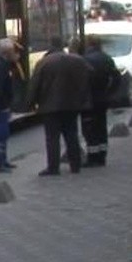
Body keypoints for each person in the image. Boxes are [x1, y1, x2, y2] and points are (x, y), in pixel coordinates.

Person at [26, 35, 93, 175]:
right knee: (71, 135)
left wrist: (30, 104)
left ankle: (53, 167)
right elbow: (91, 75)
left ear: (50, 45)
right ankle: (76, 165)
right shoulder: (77, 60)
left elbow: (34, 85)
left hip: (49, 107)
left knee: (52, 138)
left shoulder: (44, 63)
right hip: (72, 105)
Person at [81, 34, 122, 167]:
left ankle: (92, 157)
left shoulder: (86, 59)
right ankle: (102, 156)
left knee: (89, 129)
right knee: (101, 127)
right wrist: (110, 92)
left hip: (89, 100)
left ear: (88, 44)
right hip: (103, 98)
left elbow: (82, 81)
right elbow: (117, 77)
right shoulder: (107, 58)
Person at [0, 37, 20, 172]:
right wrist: (4, 104)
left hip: (0, 104)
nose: (15, 53)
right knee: (0, 133)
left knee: (4, 133)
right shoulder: (0, 66)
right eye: (13, 51)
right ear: (7, 52)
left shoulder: (3, 64)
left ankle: (3, 160)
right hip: (0, 105)